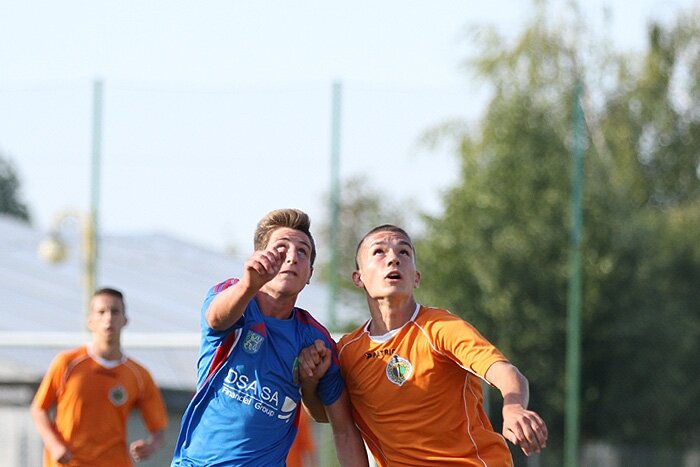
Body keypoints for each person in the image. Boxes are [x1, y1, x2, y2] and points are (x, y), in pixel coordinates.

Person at [301, 224, 548, 466]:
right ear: (359, 278)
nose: (393, 259)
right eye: (379, 252)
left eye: (403, 252)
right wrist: (310, 380)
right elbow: (326, 415)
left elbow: (504, 371)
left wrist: (514, 407)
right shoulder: (347, 351)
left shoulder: (440, 327)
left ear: (416, 278)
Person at [171, 208, 368, 466]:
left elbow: (336, 424)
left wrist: (310, 382)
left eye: (302, 252)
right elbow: (216, 319)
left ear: (309, 274)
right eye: (281, 248)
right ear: (260, 256)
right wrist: (248, 284)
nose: (292, 257)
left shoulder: (314, 339)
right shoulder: (233, 296)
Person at [31, 287, 169, 467]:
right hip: (69, 463)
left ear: (125, 320)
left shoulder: (138, 374)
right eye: (101, 312)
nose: (108, 318)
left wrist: (151, 446)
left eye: (115, 311)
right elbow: (38, 409)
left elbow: (159, 429)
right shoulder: (67, 363)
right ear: (90, 321)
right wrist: (54, 445)